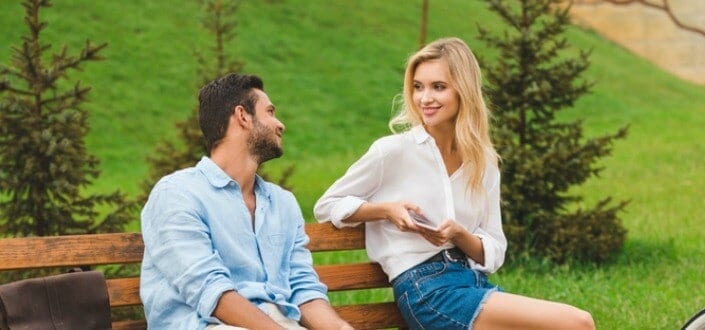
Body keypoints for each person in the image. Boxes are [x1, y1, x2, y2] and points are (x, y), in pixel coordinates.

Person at [314, 37, 595, 330]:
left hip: (471, 282)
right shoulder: (393, 151)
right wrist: (386, 210)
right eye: (418, 87)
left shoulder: (482, 162)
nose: (425, 98)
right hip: (426, 289)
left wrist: (461, 235)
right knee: (577, 323)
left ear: (464, 90)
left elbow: (495, 249)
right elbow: (327, 205)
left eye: (438, 87)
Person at [140, 73, 352, 330]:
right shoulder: (177, 194)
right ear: (242, 116)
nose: (280, 124)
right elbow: (211, 292)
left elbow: (302, 288)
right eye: (270, 112)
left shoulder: (282, 203)